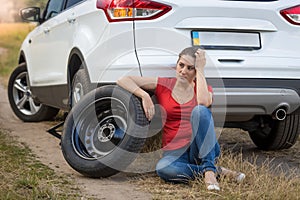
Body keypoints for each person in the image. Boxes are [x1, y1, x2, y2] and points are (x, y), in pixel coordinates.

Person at [117, 47, 245, 191]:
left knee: (200, 111)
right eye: (181, 65)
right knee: (163, 168)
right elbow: (123, 79)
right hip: (174, 153)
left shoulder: (204, 88)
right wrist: (144, 95)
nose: (183, 71)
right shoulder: (164, 85)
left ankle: (209, 169)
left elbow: (203, 103)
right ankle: (216, 172)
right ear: (176, 65)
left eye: (190, 68)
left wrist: (201, 69)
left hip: (200, 148)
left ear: (196, 72)